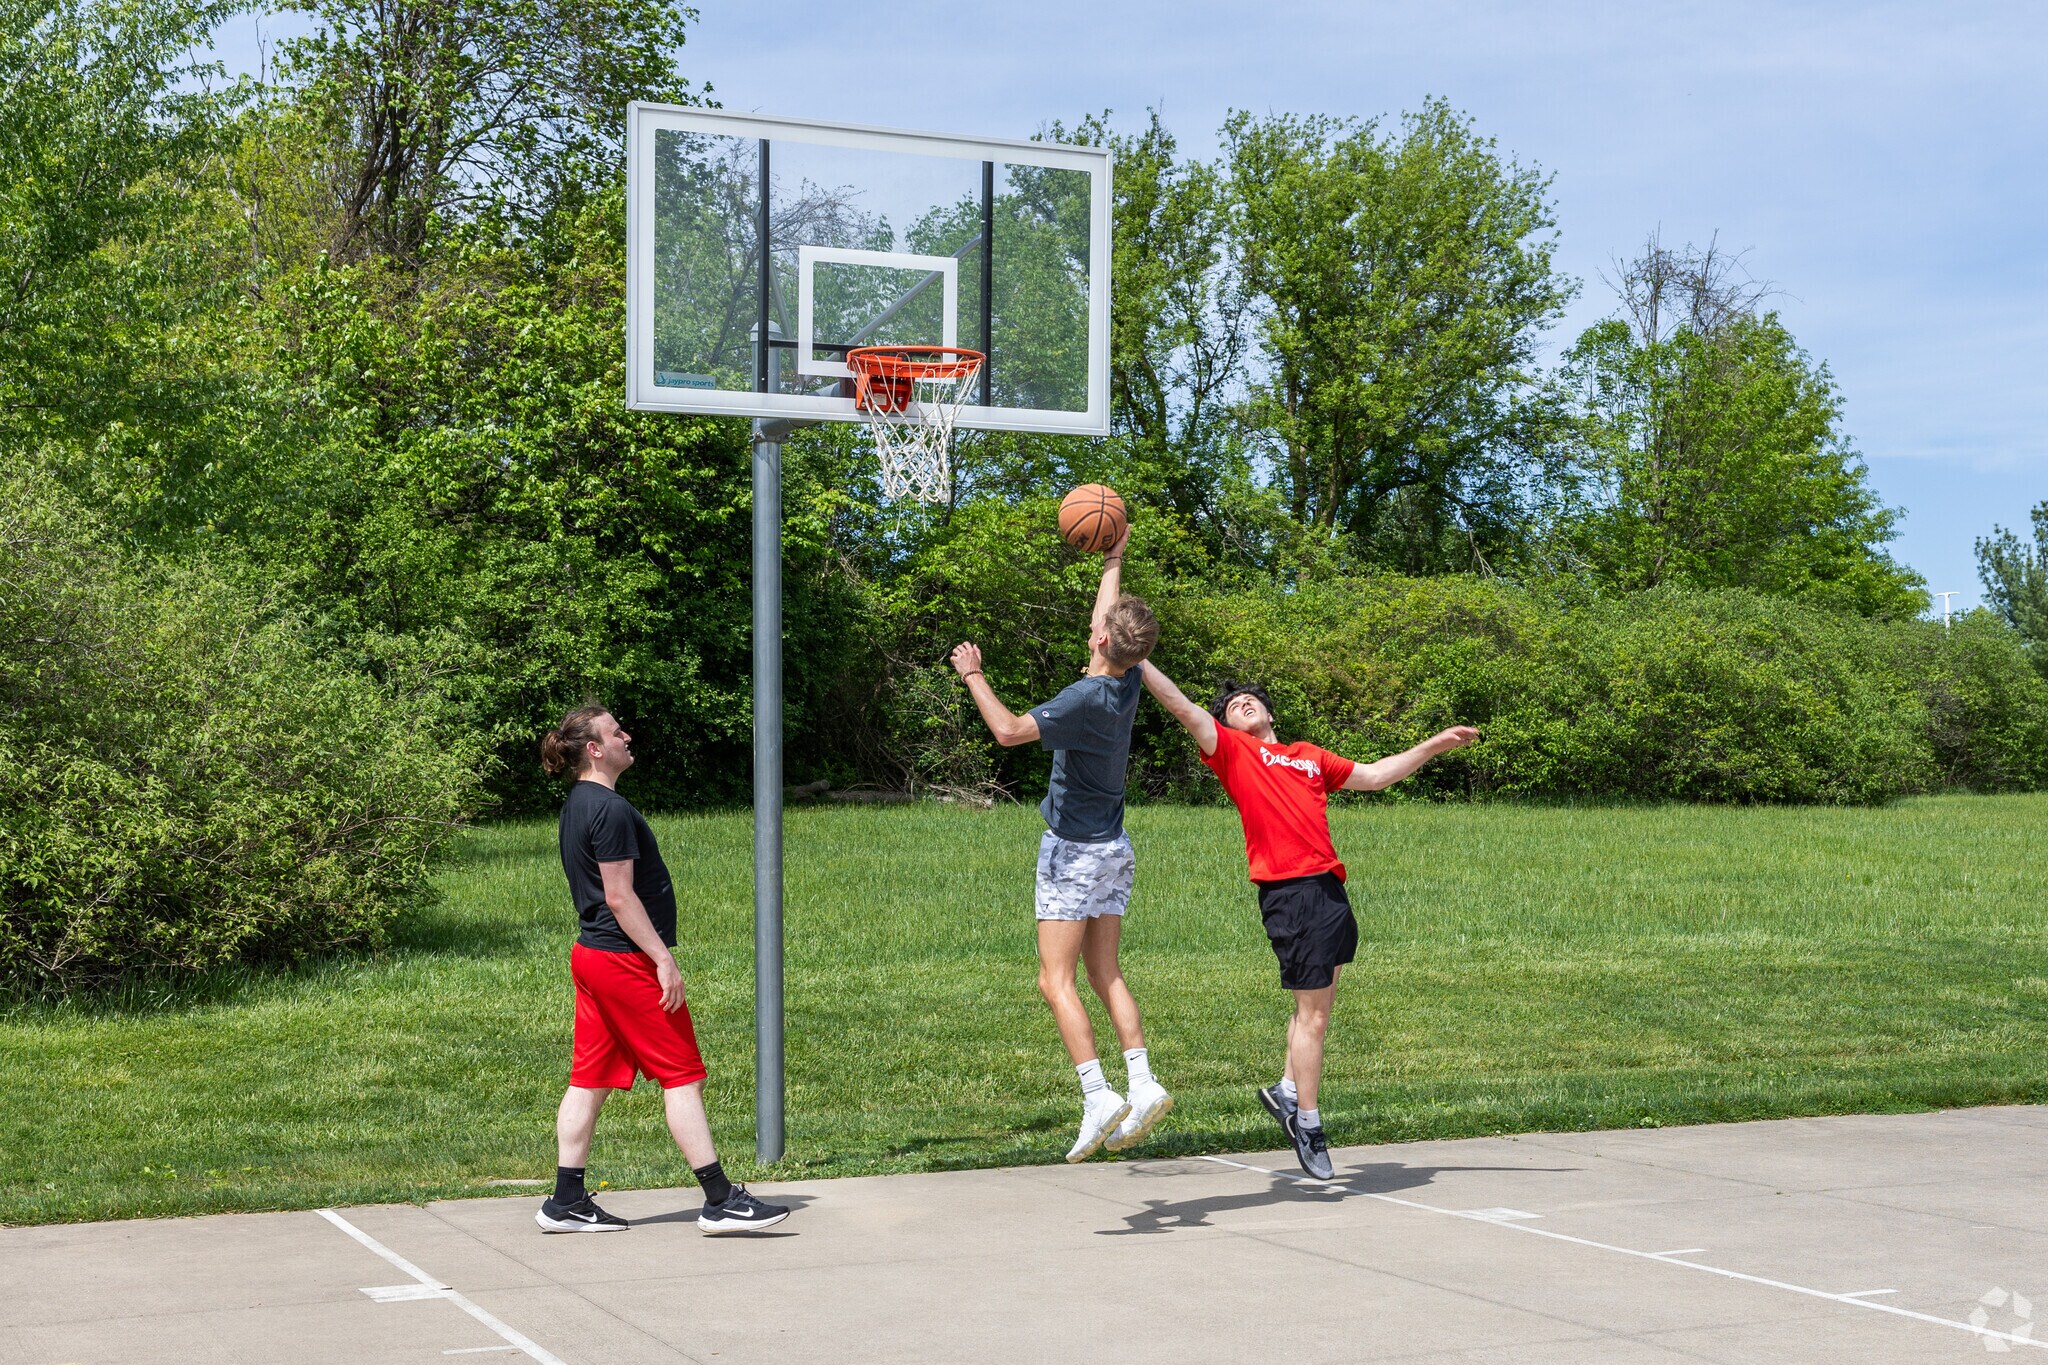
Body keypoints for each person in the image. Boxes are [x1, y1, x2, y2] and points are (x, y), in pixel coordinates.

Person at [1137, 667, 1477, 1179]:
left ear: (1270, 713)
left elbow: (1375, 775)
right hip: (1289, 893)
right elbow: (1182, 706)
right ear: (1225, 726)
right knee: (1313, 1017)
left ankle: (1287, 1091)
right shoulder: (1232, 752)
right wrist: (1137, 659)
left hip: (1328, 891)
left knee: (1313, 1008)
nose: (1243, 704)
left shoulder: (1308, 756)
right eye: (1233, 706)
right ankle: (1308, 1125)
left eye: (1252, 700)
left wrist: (1433, 745)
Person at [948, 524, 1173, 1162]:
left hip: (1073, 851)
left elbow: (1009, 732)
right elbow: (1111, 623)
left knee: (1056, 981)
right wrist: (1115, 558)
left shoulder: (1082, 695)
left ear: (1102, 640)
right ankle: (1142, 1079)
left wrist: (974, 674)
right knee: (1107, 972)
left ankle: (1097, 1092)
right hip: (1115, 849)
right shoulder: (1127, 681)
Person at [534, 705, 790, 1234]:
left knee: (589, 1078)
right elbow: (620, 897)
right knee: (681, 1076)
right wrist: (663, 959)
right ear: (595, 750)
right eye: (614, 731)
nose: (627, 735)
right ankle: (720, 1200)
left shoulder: (578, 804)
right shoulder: (609, 809)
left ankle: (565, 1201)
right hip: (624, 961)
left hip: (593, 958)